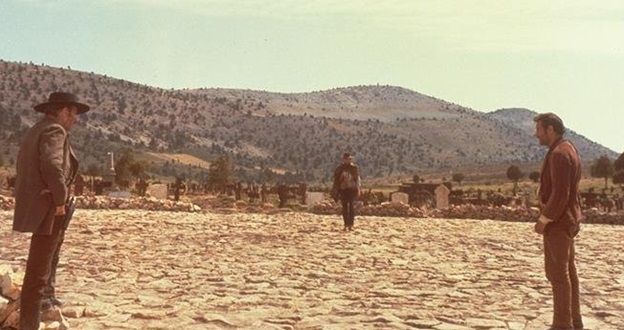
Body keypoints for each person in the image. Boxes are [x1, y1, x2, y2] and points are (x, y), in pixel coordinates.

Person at [13, 92, 90, 329]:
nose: (75, 119)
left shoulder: (37, 128)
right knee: (38, 272)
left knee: (40, 268)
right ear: (63, 111)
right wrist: (60, 200)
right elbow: (53, 166)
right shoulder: (54, 131)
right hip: (49, 209)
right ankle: (30, 324)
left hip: (41, 206)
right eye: (73, 113)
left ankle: (35, 316)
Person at [533, 113, 583, 330]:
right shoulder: (568, 148)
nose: (536, 135)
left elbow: (561, 194)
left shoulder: (559, 154)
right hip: (568, 220)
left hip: (559, 223)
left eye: (539, 130)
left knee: (558, 274)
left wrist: (544, 219)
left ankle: (562, 324)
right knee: (568, 272)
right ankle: (575, 321)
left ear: (550, 129)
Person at [332, 153, 361, 231]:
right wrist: (336, 190)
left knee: (351, 206)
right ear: (344, 159)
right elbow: (336, 180)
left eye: (349, 159)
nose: (348, 160)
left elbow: (357, 179)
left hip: (352, 189)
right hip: (343, 189)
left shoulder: (354, 168)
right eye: (347, 159)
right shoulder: (340, 168)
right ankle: (345, 224)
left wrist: (358, 188)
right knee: (344, 207)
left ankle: (351, 224)